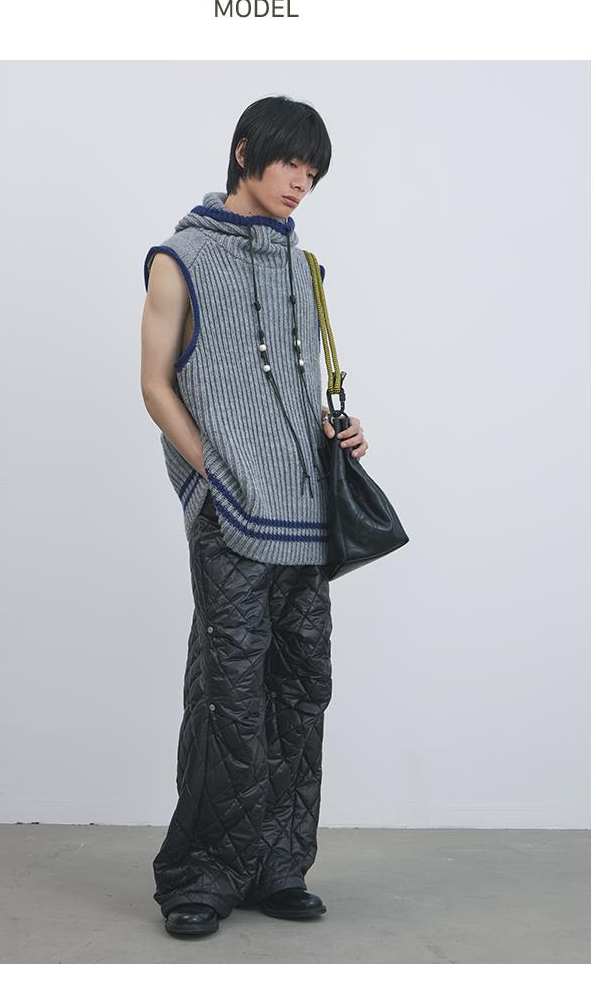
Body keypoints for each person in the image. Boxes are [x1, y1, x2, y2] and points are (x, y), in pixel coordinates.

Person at [140, 95, 369, 937]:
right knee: (228, 696)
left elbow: (297, 389)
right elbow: (154, 385)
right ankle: (202, 874)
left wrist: (337, 433)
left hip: (306, 516)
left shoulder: (303, 268)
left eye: (313, 172)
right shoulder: (182, 257)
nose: (301, 182)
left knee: (301, 691)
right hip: (233, 516)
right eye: (290, 164)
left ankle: (277, 865)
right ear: (245, 153)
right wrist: (217, 474)